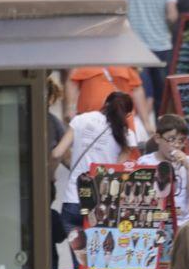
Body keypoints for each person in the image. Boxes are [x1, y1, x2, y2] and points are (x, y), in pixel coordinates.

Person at [50, 92, 137, 239]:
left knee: (80, 257)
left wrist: (50, 175)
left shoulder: (80, 120)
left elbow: (57, 153)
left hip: (73, 199)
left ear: (105, 103)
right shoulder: (126, 135)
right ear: (126, 115)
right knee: (98, 257)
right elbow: (117, 172)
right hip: (101, 204)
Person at [115, 0, 178, 110]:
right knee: (161, 97)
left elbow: (117, 10)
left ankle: (140, 130)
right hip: (160, 45)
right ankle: (160, 131)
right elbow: (172, 14)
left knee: (137, 94)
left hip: (134, 46)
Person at [138, 114, 189, 227]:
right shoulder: (144, 163)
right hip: (153, 224)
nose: (176, 145)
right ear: (158, 138)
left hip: (182, 225)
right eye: (171, 139)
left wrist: (188, 168)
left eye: (181, 141)